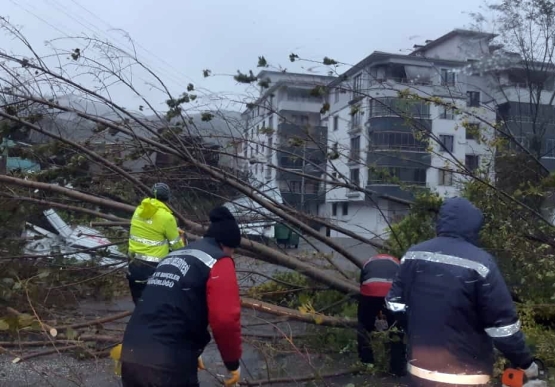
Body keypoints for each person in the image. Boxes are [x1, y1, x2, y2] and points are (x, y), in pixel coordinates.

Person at [386, 197, 541, 387]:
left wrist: (417, 332)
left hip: (420, 371)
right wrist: (525, 362)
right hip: (467, 375)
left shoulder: (413, 255)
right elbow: (502, 327)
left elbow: (394, 304)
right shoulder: (481, 263)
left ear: (441, 222)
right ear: (474, 226)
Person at [120, 206, 242, 387]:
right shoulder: (218, 261)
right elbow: (225, 319)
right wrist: (232, 363)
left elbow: (167, 307)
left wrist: (193, 351)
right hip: (166, 365)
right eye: (233, 250)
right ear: (226, 245)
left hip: (131, 356)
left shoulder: (174, 256)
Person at [127, 182, 185, 304]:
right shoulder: (167, 217)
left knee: (138, 301)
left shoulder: (139, 210)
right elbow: (176, 246)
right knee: (154, 303)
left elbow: (149, 229)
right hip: (153, 267)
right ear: (167, 198)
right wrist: (180, 238)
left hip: (133, 262)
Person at [358, 253, 406, 376]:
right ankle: (397, 367)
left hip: (370, 291)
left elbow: (361, 284)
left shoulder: (368, 262)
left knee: (364, 325)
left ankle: (366, 362)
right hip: (391, 293)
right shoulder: (398, 263)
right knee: (396, 328)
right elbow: (403, 285)